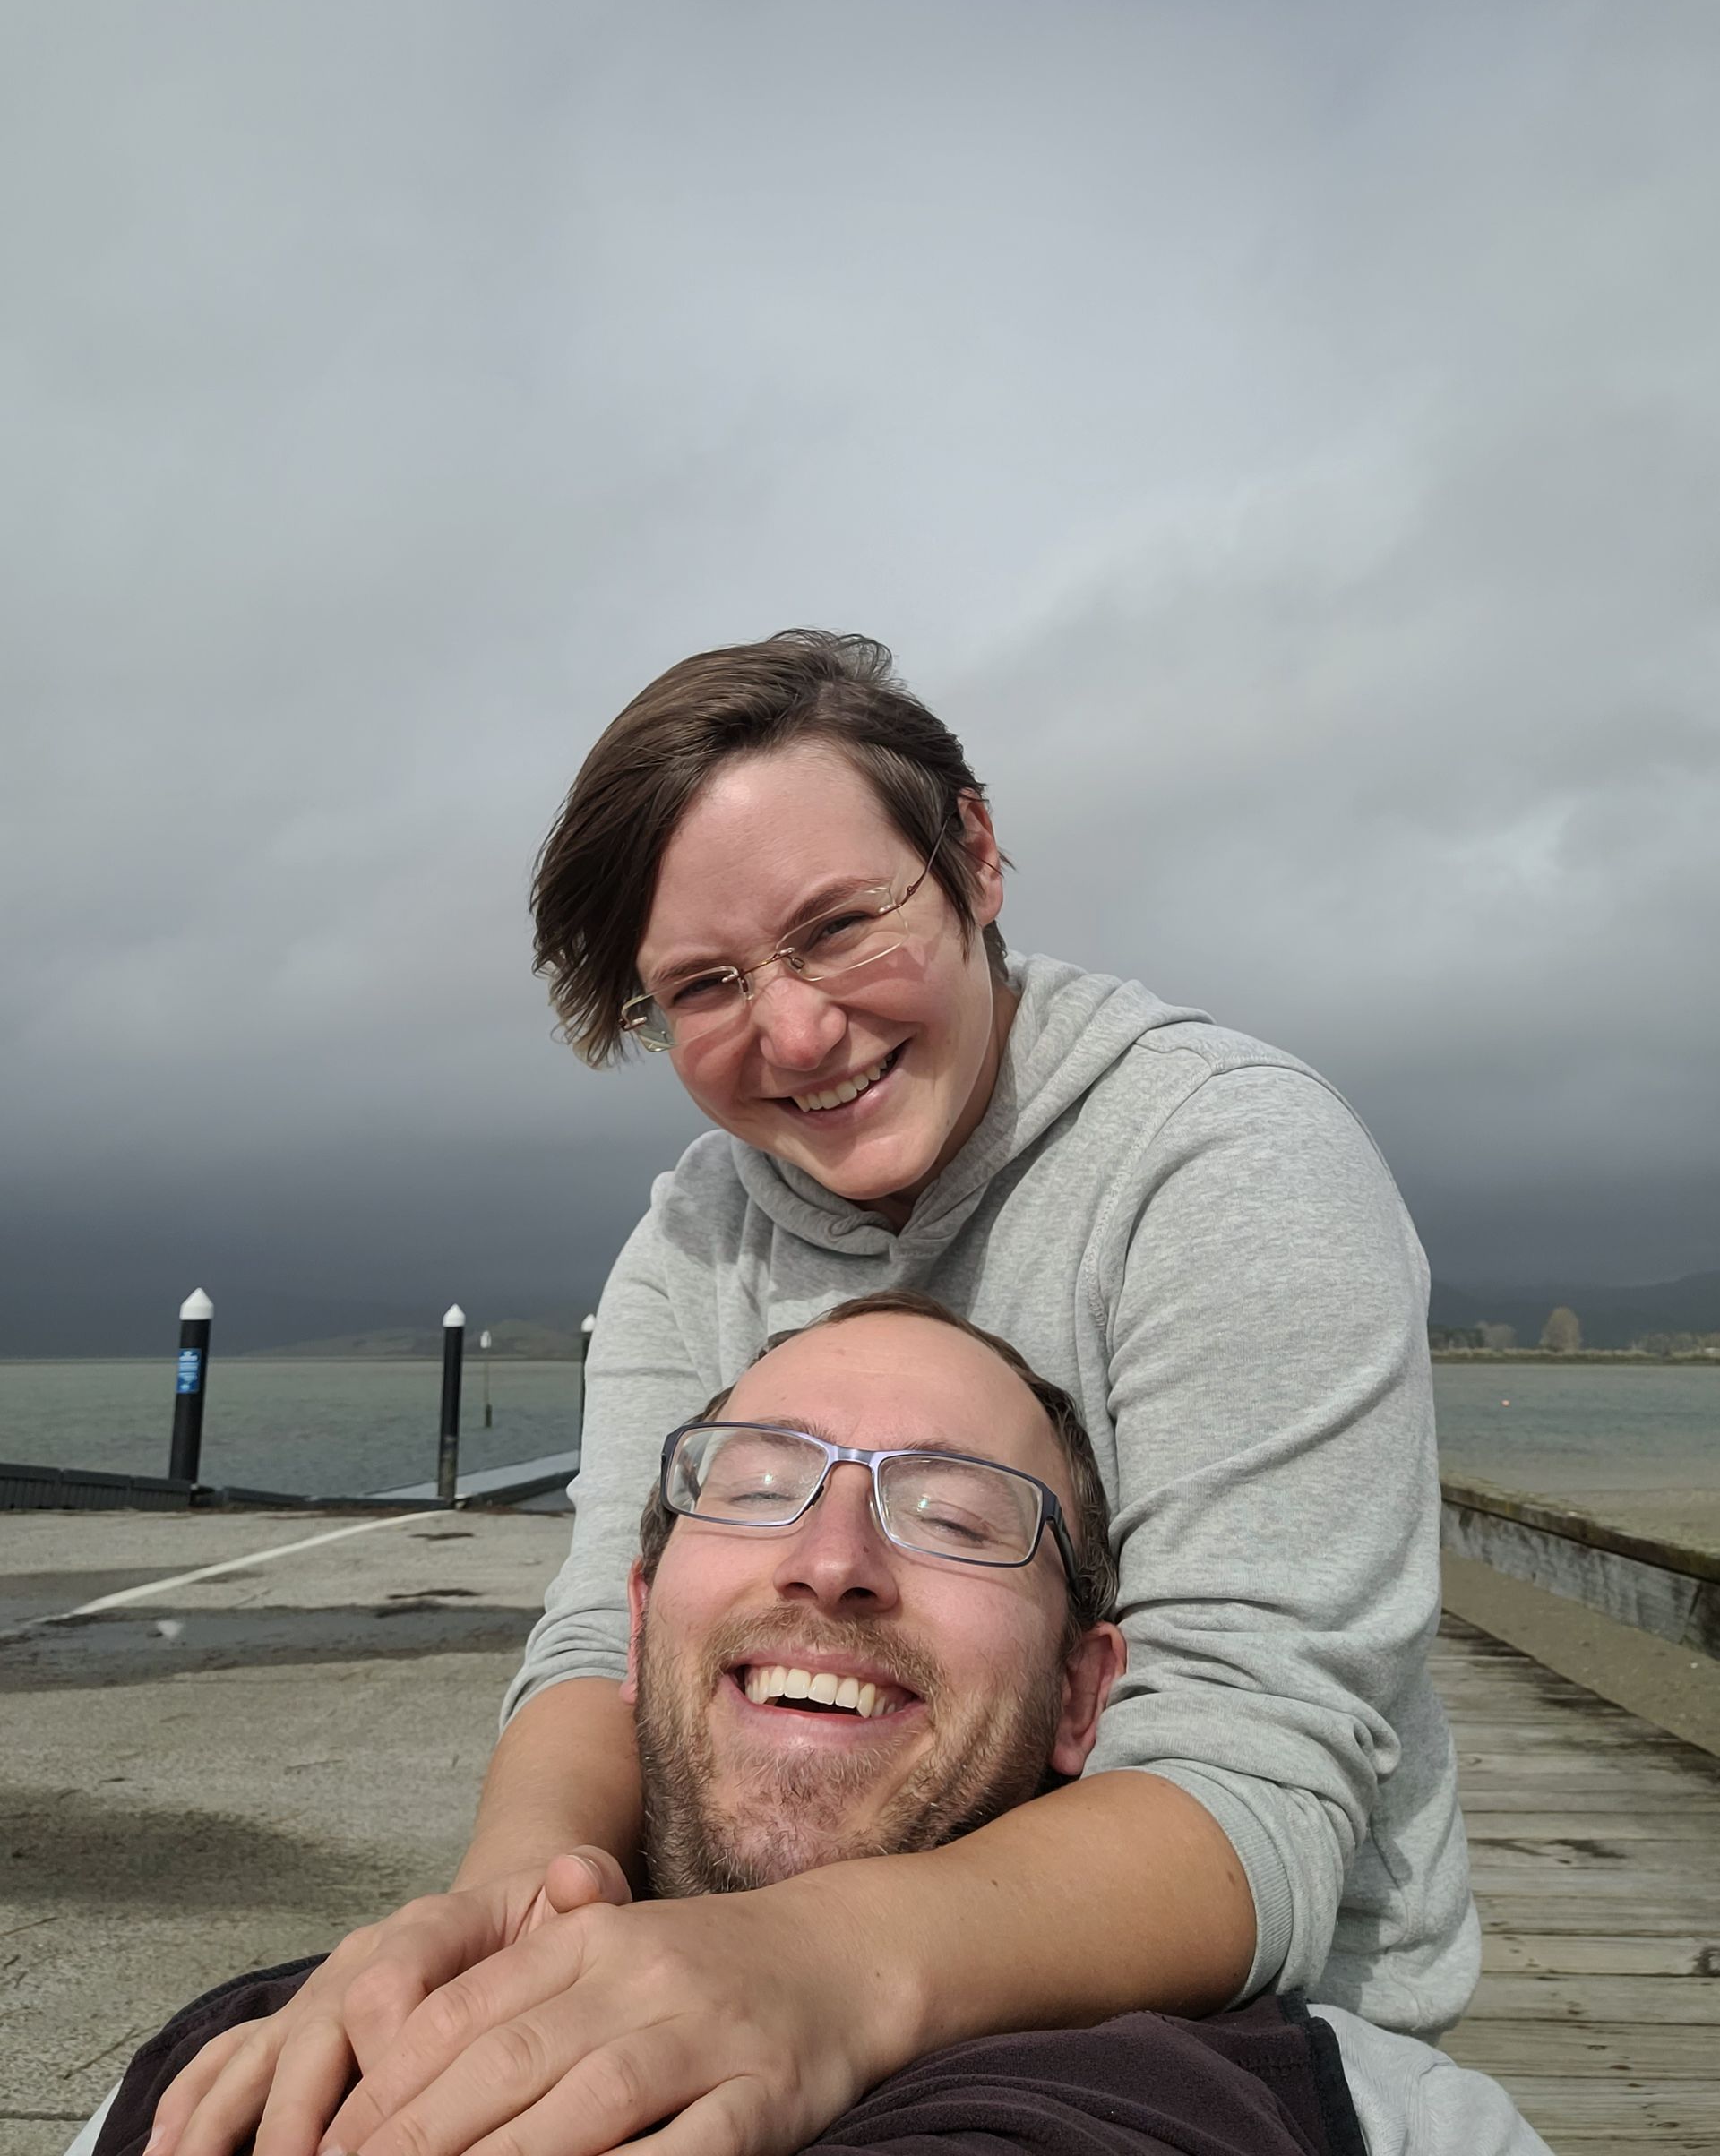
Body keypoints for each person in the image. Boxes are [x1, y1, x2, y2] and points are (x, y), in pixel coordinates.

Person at [150, 631, 1477, 2156]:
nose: (793, 1033)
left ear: (974, 856)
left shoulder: (1230, 1167)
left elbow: (1251, 1764)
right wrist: (507, 1927)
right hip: (742, 1948)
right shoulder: (691, 1239)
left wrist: (813, 1973)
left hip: (1216, 2021)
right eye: (702, 986)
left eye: (840, 927)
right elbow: (602, 1641)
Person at [113, 1296, 1539, 2156]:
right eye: (753, 1486)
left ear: (1081, 1693)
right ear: (637, 1618)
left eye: (956, 1515)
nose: (832, 1555)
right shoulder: (254, 2060)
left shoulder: (1350, 2116)